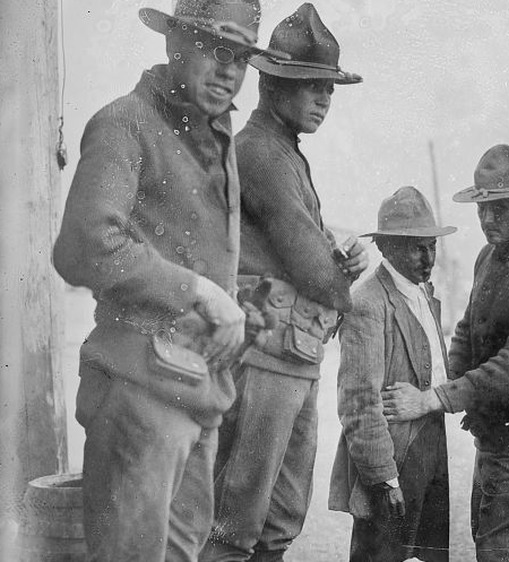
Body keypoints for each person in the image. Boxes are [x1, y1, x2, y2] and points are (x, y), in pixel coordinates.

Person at [51, 0, 285, 559]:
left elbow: (197, 251)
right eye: (215, 49)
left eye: (243, 58)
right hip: (138, 394)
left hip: (197, 394)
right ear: (174, 45)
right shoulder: (124, 122)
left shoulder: (215, 136)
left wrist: (241, 307)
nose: (230, 70)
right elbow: (83, 246)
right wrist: (200, 292)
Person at [200, 4, 367, 560]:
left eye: (329, 89)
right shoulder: (261, 153)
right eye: (312, 86)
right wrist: (342, 280)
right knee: (237, 518)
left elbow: (313, 255)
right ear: (272, 85)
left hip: (292, 353)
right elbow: (315, 268)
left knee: (281, 516)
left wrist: (333, 265)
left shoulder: (284, 152)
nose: (324, 99)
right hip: (267, 352)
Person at [381, 144, 509, 561]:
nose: (488, 220)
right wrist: (447, 381)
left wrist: (433, 399)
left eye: (501, 209)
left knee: (498, 548)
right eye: (482, 209)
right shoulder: (488, 256)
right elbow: (469, 330)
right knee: (486, 535)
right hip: (493, 428)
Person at [329, 186, 457, 562]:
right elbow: (358, 404)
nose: (427, 256)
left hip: (432, 452)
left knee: (432, 555)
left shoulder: (423, 294)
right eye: (416, 247)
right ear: (386, 248)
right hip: (392, 464)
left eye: (431, 245)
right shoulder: (367, 302)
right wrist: (384, 478)